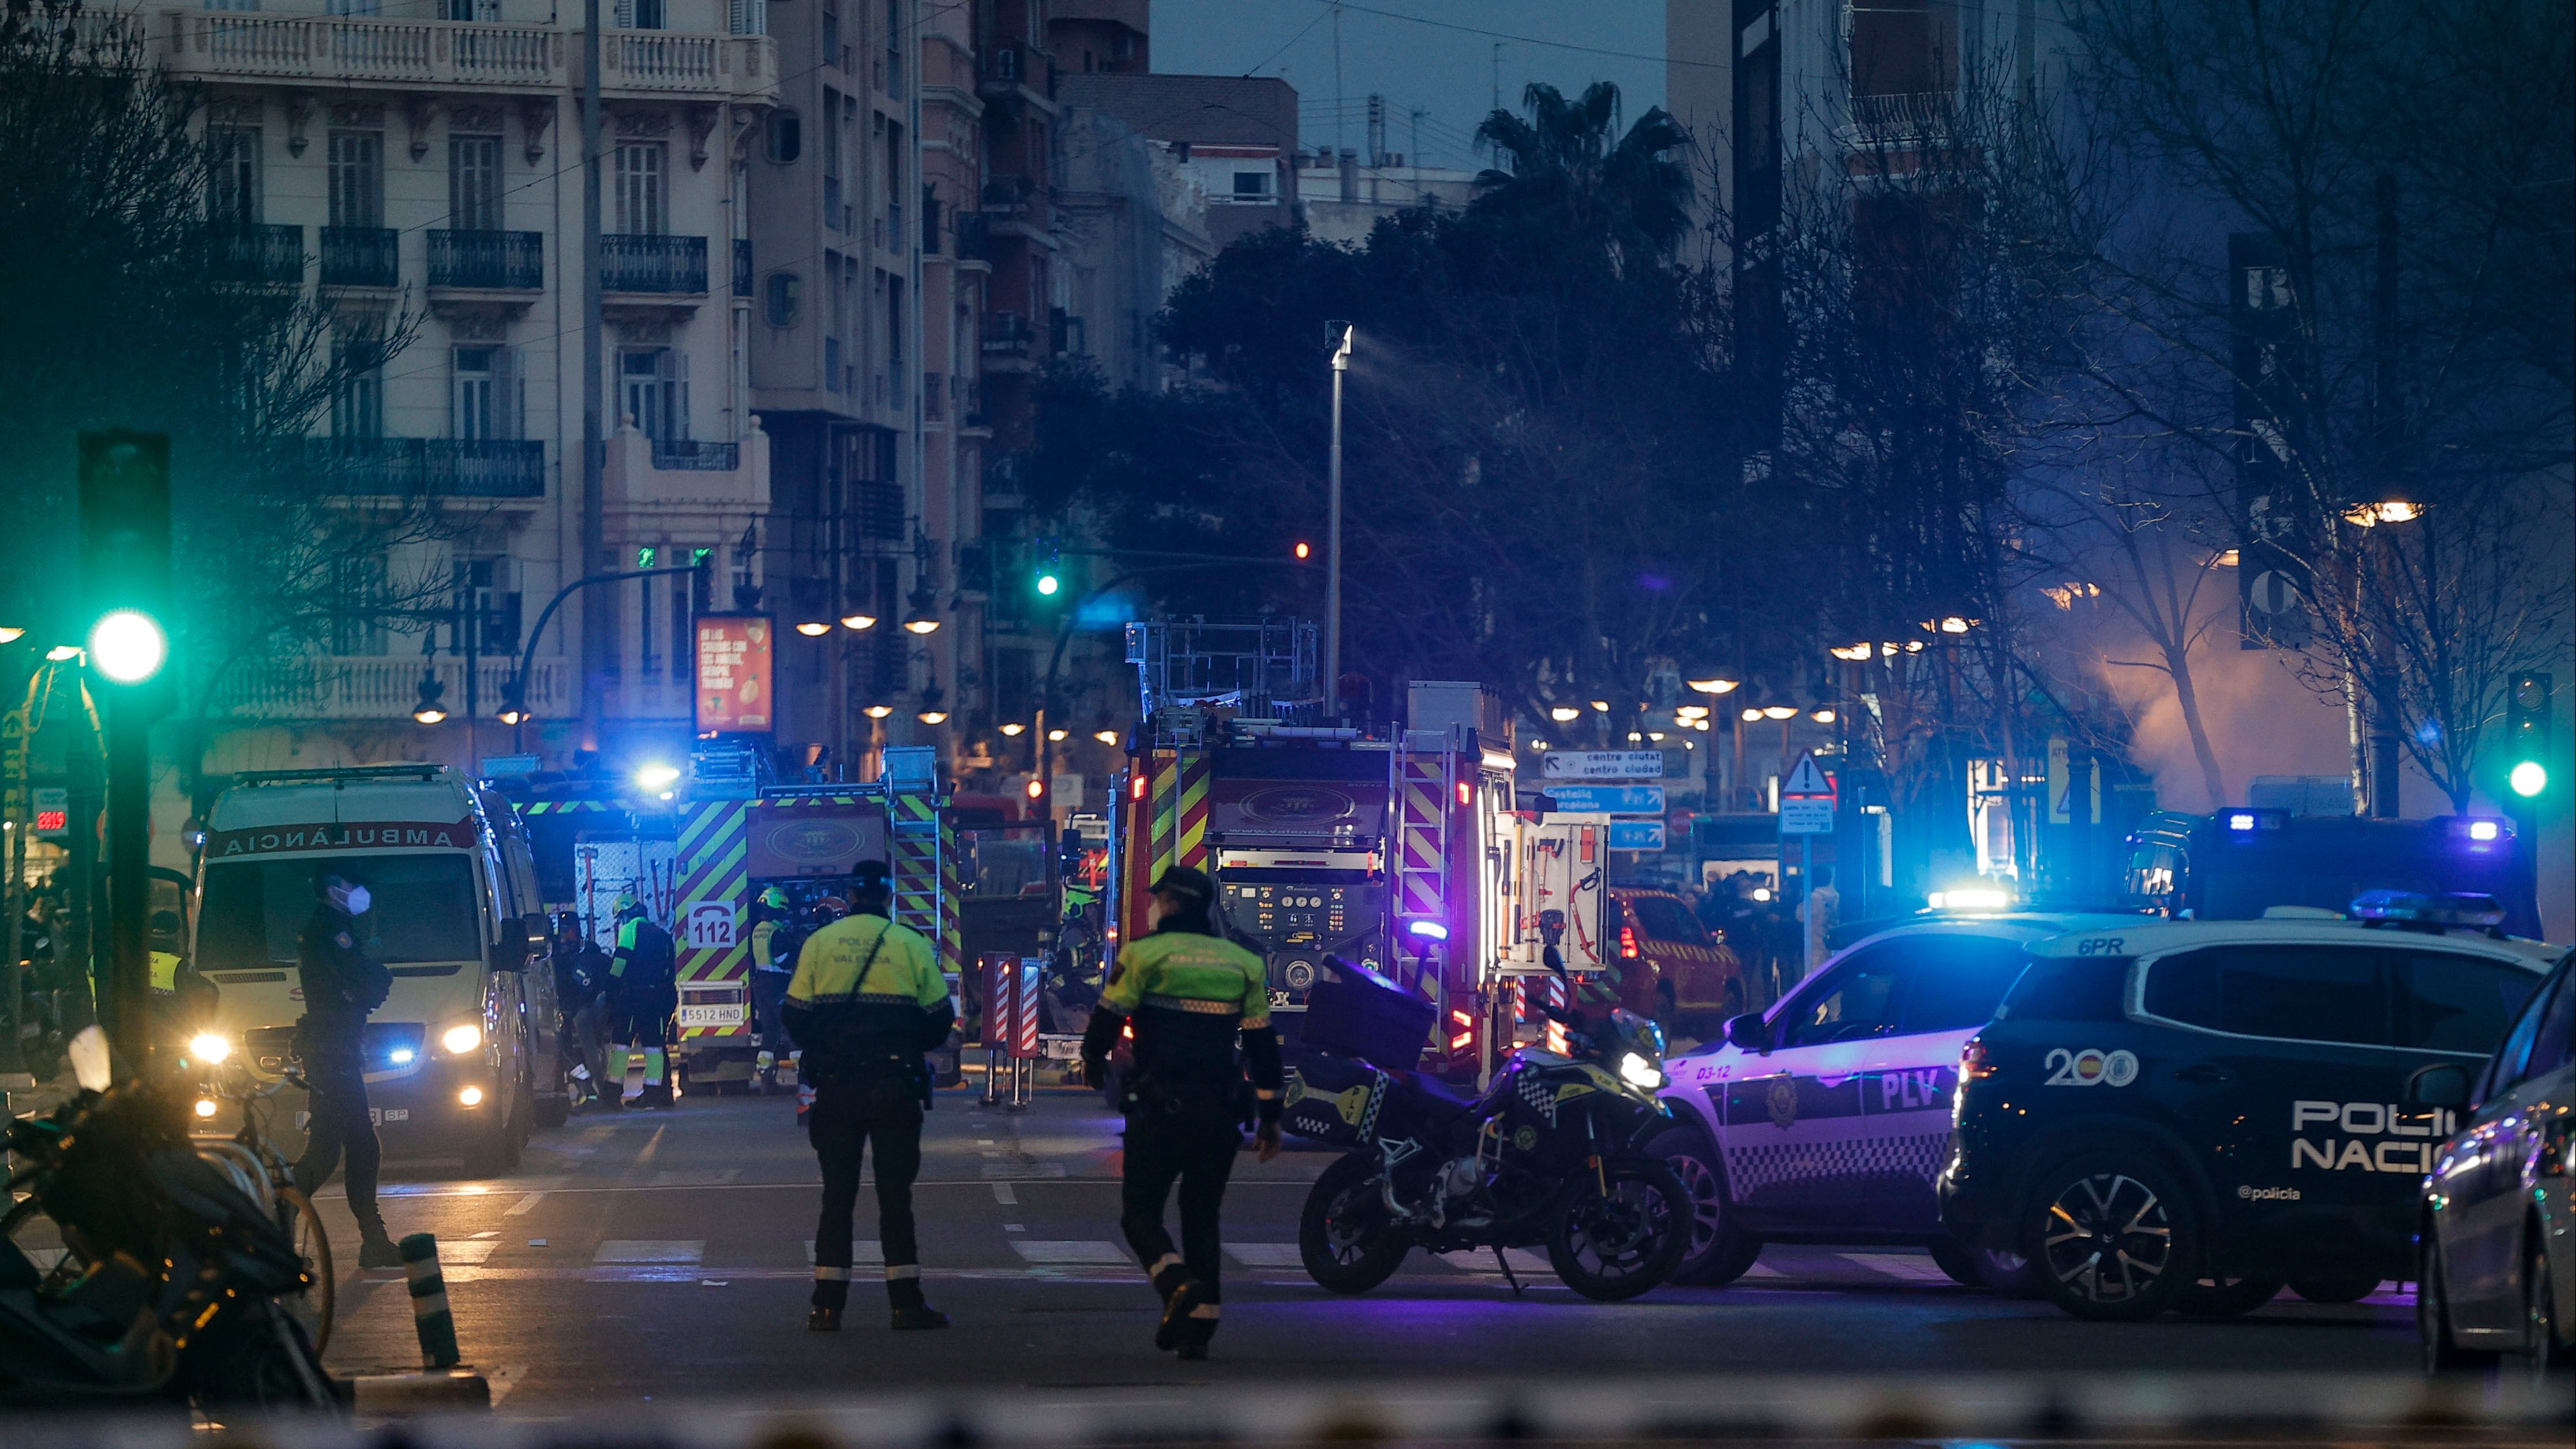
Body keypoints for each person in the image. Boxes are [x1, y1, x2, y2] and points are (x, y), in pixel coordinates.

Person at [1079, 865, 1282, 1361]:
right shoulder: (1244, 962)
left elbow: (1108, 1015)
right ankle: (1198, 1332)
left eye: (1157, 899)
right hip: (1219, 1110)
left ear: (1169, 902)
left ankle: (1175, 1281)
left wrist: (1092, 1059)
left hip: (1159, 1107)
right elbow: (1261, 1045)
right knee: (1201, 1215)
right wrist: (1271, 1115)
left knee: (1140, 1212)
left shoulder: (1143, 955)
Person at [781, 866, 953, 1332]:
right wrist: (904, 1040)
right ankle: (906, 1304)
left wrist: (827, 1043)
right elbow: (941, 1019)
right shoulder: (910, 944)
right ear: (889, 897)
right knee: (895, 1196)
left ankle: (827, 1307)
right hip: (895, 1085)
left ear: (851, 895)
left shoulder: (821, 944)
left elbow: (793, 1013)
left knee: (837, 1196)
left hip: (837, 1086)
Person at [292, 865, 400, 1267]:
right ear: (334, 889)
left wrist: (367, 981)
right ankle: (277, 1220)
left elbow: (361, 980)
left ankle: (374, 1241)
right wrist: (370, 981)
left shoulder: (335, 928)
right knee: (328, 1150)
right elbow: (357, 979)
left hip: (336, 1048)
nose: (359, 891)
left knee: (357, 1144)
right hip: (330, 1050)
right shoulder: (329, 930)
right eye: (352, 884)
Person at [606, 895, 679, 1109]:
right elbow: (669, 970)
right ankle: (654, 1094)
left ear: (626, 914)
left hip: (635, 997)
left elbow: (620, 963)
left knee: (621, 1043)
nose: (621, 922)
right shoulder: (663, 935)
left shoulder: (630, 930)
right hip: (659, 998)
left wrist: (608, 988)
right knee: (655, 1045)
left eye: (621, 918)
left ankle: (612, 1093)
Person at [553, 915, 610, 1109]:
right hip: (594, 1009)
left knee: (568, 1051)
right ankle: (601, 1092)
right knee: (594, 1050)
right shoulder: (593, 958)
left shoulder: (561, 959)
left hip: (573, 1011)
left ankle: (591, 1092)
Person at [1797, 866, 1840, 977]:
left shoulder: (1813, 898)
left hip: (1816, 945)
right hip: (1834, 944)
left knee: (1815, 977)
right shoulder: (1837, 896)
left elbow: (1799, 916)